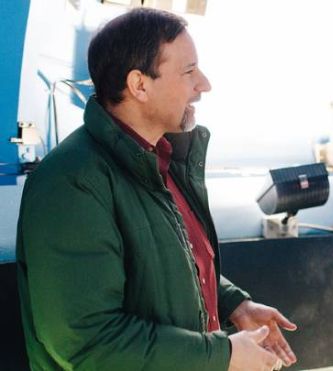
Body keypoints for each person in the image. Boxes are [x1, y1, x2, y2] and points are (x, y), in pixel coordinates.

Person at [17, 8, 296, 371]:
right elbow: (87, 342)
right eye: (189, 72)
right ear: (140, 85)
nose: (204, 84)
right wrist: (222, 355)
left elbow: (169, 263)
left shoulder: (161, 159)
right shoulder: (71, 182)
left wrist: (233, 305)